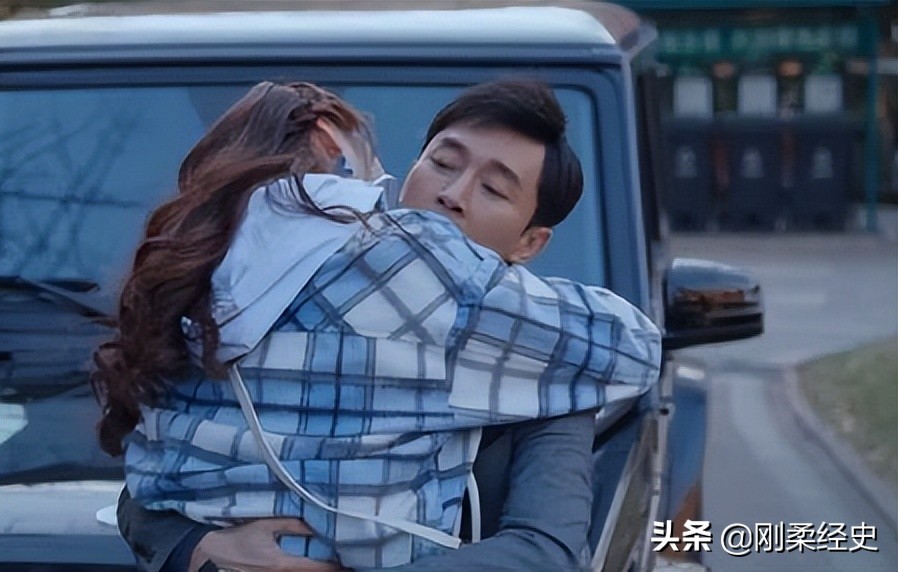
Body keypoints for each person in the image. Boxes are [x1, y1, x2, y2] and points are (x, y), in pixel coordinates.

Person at [95, 81, 662, 571]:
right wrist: (202, 547)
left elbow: (543, 552)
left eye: (493, 189)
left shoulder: (554, 362)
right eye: (442, 163)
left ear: (530, 242)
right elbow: (154, 473)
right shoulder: (264, 286)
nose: (452, 195)